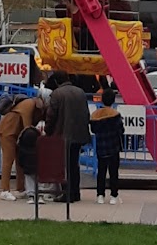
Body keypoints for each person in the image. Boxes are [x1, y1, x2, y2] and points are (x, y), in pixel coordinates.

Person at [44, 72, 92, 204]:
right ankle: (75, 192)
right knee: (74, 164)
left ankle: (67, 193)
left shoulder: (57, 94)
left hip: (62, 135)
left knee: (64, 166)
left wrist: (48, 131)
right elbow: (86, 113)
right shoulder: (80, 92)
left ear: (57, 82)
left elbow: (51, 116)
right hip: (79, 134)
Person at [91, 88, 125, 205]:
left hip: (101, 147)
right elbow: (121, 130)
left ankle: (100, 195)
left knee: (101, 171)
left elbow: (93, 130)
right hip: (113, 147)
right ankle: (113, 196)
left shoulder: (95, 115)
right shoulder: (115, 115)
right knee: (113, 172)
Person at [0, 95, 24, 201]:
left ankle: (21, 188)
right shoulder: (22, 109)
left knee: (19, 160)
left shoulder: (16, 110)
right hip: (8, 133)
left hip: (10, 132)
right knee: (8, 161)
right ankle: (5, 190)